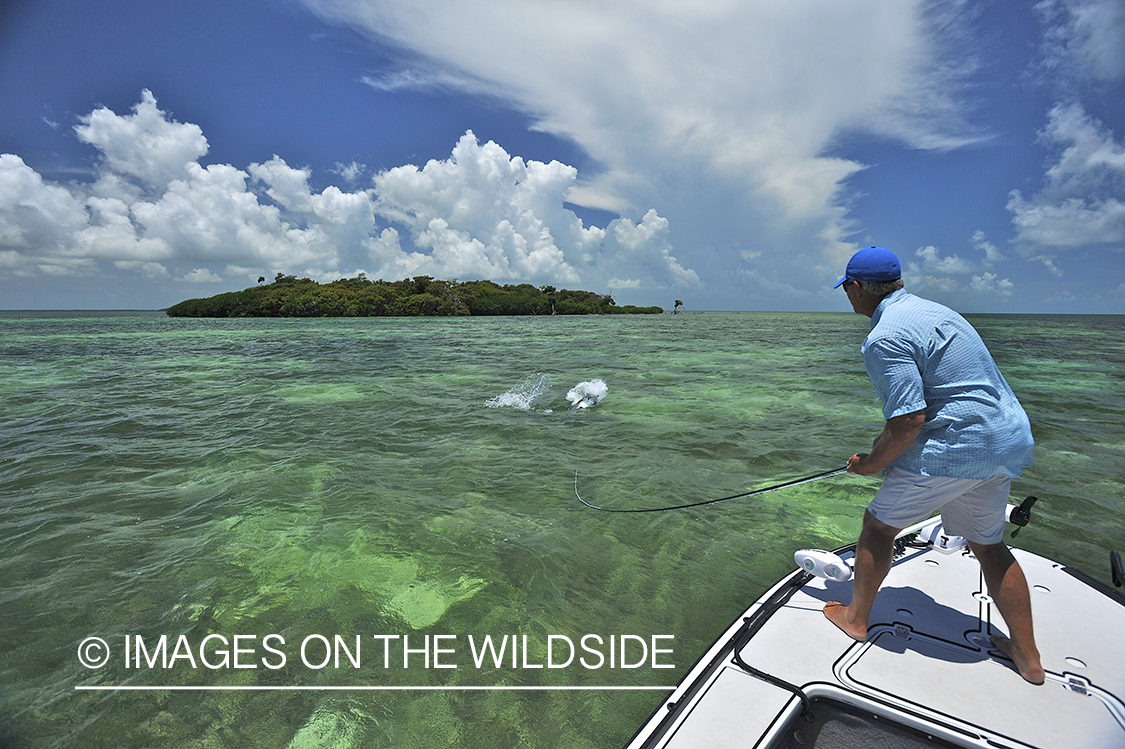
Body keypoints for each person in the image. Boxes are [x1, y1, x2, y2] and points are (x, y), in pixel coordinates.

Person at [823, 246, 1045, 686]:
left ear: (856, 287)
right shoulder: (940, 313)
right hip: (1005, 440)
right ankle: (1028, 656)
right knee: (988, 545)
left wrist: (870, 465)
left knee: (878, 526)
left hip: (958, 448)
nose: (849, 298)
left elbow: (908, 421)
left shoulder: (882, 336)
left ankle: (855, 618)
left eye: (847, 290)